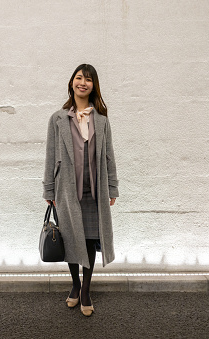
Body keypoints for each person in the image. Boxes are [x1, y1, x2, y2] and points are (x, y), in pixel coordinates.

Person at [43, 64, 119, 317]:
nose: (83, 83)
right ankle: (75, 284)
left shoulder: (102, 120)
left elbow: (108, 157)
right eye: (79, 78)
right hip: (67, 190)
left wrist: (112, 187)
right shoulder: (57, 119)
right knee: (71, 238)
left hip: (94, 192)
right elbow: (50, 156)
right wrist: (49, 190)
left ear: (94, 86)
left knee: (89, 239)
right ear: (71, 83)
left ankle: (85, 289)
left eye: (88, 79)